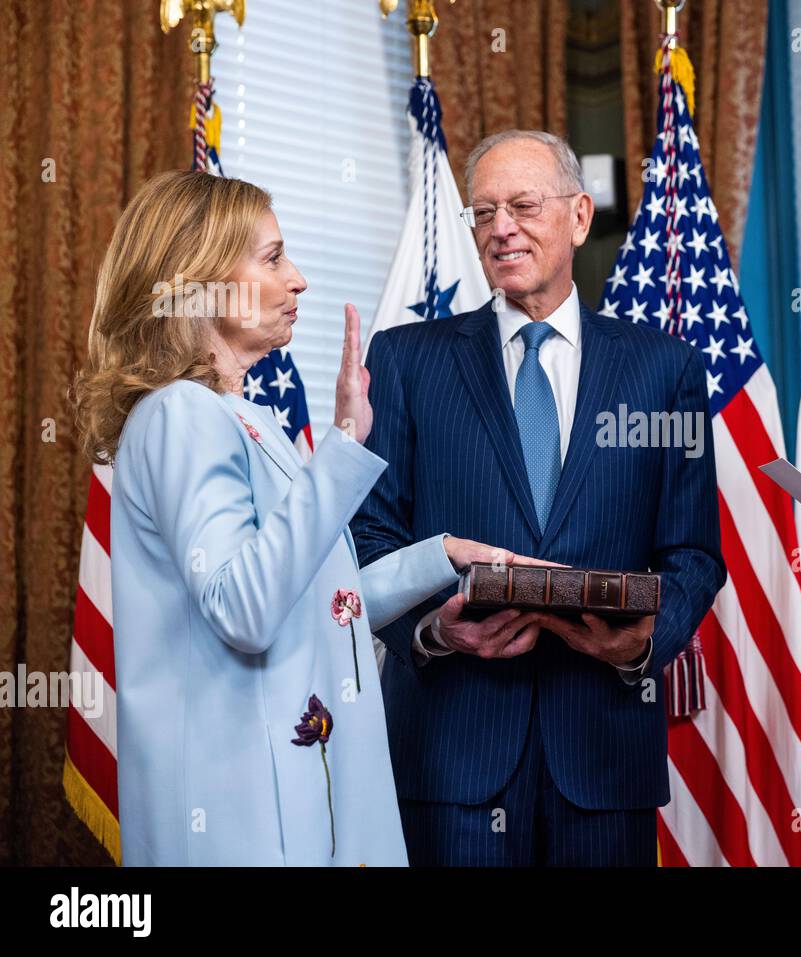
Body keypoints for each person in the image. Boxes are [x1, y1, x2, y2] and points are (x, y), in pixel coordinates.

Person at [73, 170, 538, 865]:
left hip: (299, 800)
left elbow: (319, 601)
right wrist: (345, 444)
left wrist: (441, 556)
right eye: (272, 257)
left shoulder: (244, 417)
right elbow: (246, 608)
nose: (298, 280)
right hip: (244, 822)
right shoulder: (180, 414)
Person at [352, 130, 726, 866]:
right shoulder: (404, 360)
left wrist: (643, 643)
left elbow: (692, 551)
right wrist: (432, 633)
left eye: (523, 204)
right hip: (452, 755)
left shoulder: (666, 369)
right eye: (483, 211)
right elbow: (368, 536)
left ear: (580, 216)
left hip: (604, 753)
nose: (501, 227)